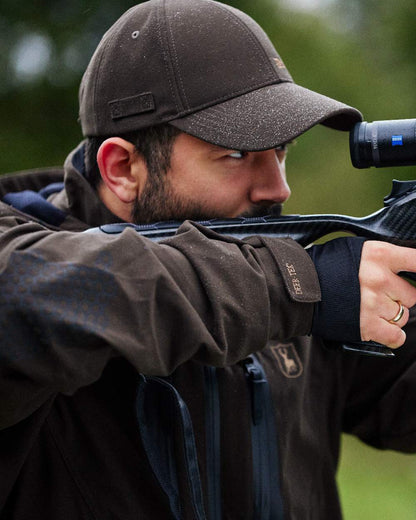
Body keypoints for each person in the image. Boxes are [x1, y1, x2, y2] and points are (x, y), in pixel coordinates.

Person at [1, 0, 416, 518]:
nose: (277, 187)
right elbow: (24, 306)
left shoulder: (288, 288)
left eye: (281, 150)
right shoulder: (21, 259)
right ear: (123, 168)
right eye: (237, 153)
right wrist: (297, 285)